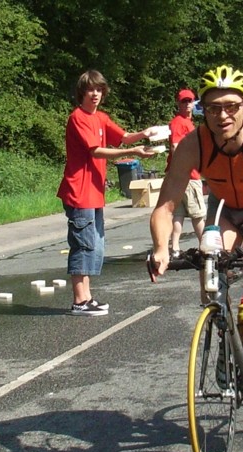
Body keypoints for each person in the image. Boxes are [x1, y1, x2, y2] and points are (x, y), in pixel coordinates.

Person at [149, 65, 243, 392]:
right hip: (224, 208)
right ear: (204, 111)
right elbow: (165, 205)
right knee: (210, 262)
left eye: (232, 106)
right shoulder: (194, 144)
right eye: (214, 108)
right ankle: (227, 341)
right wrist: (161, 247)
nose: (223, 116)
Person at [57, 69, 157, 316]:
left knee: (95, 245)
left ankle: (87, 298)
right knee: (83, 245)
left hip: (94, 193)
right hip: (79, 192)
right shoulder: (78, 118)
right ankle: (80, 301)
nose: (95, 94)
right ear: (82, 92)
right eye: (91, 89)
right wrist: (134, 153)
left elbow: (123, 137)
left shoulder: (100, 118)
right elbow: (96, 151)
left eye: (99, 89)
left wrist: (145, 134)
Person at [166, 89, 206, 256]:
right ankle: (206, 247)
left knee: (179, 214)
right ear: (178, 103)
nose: (188, 104)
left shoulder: (187, 122)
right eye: (184, 101)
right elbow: (176, 146)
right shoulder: (179, 122)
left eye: (190, 101)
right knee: (198, 213)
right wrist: (184, 169)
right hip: (188, 176)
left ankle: (175, 248)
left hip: (181, 175)